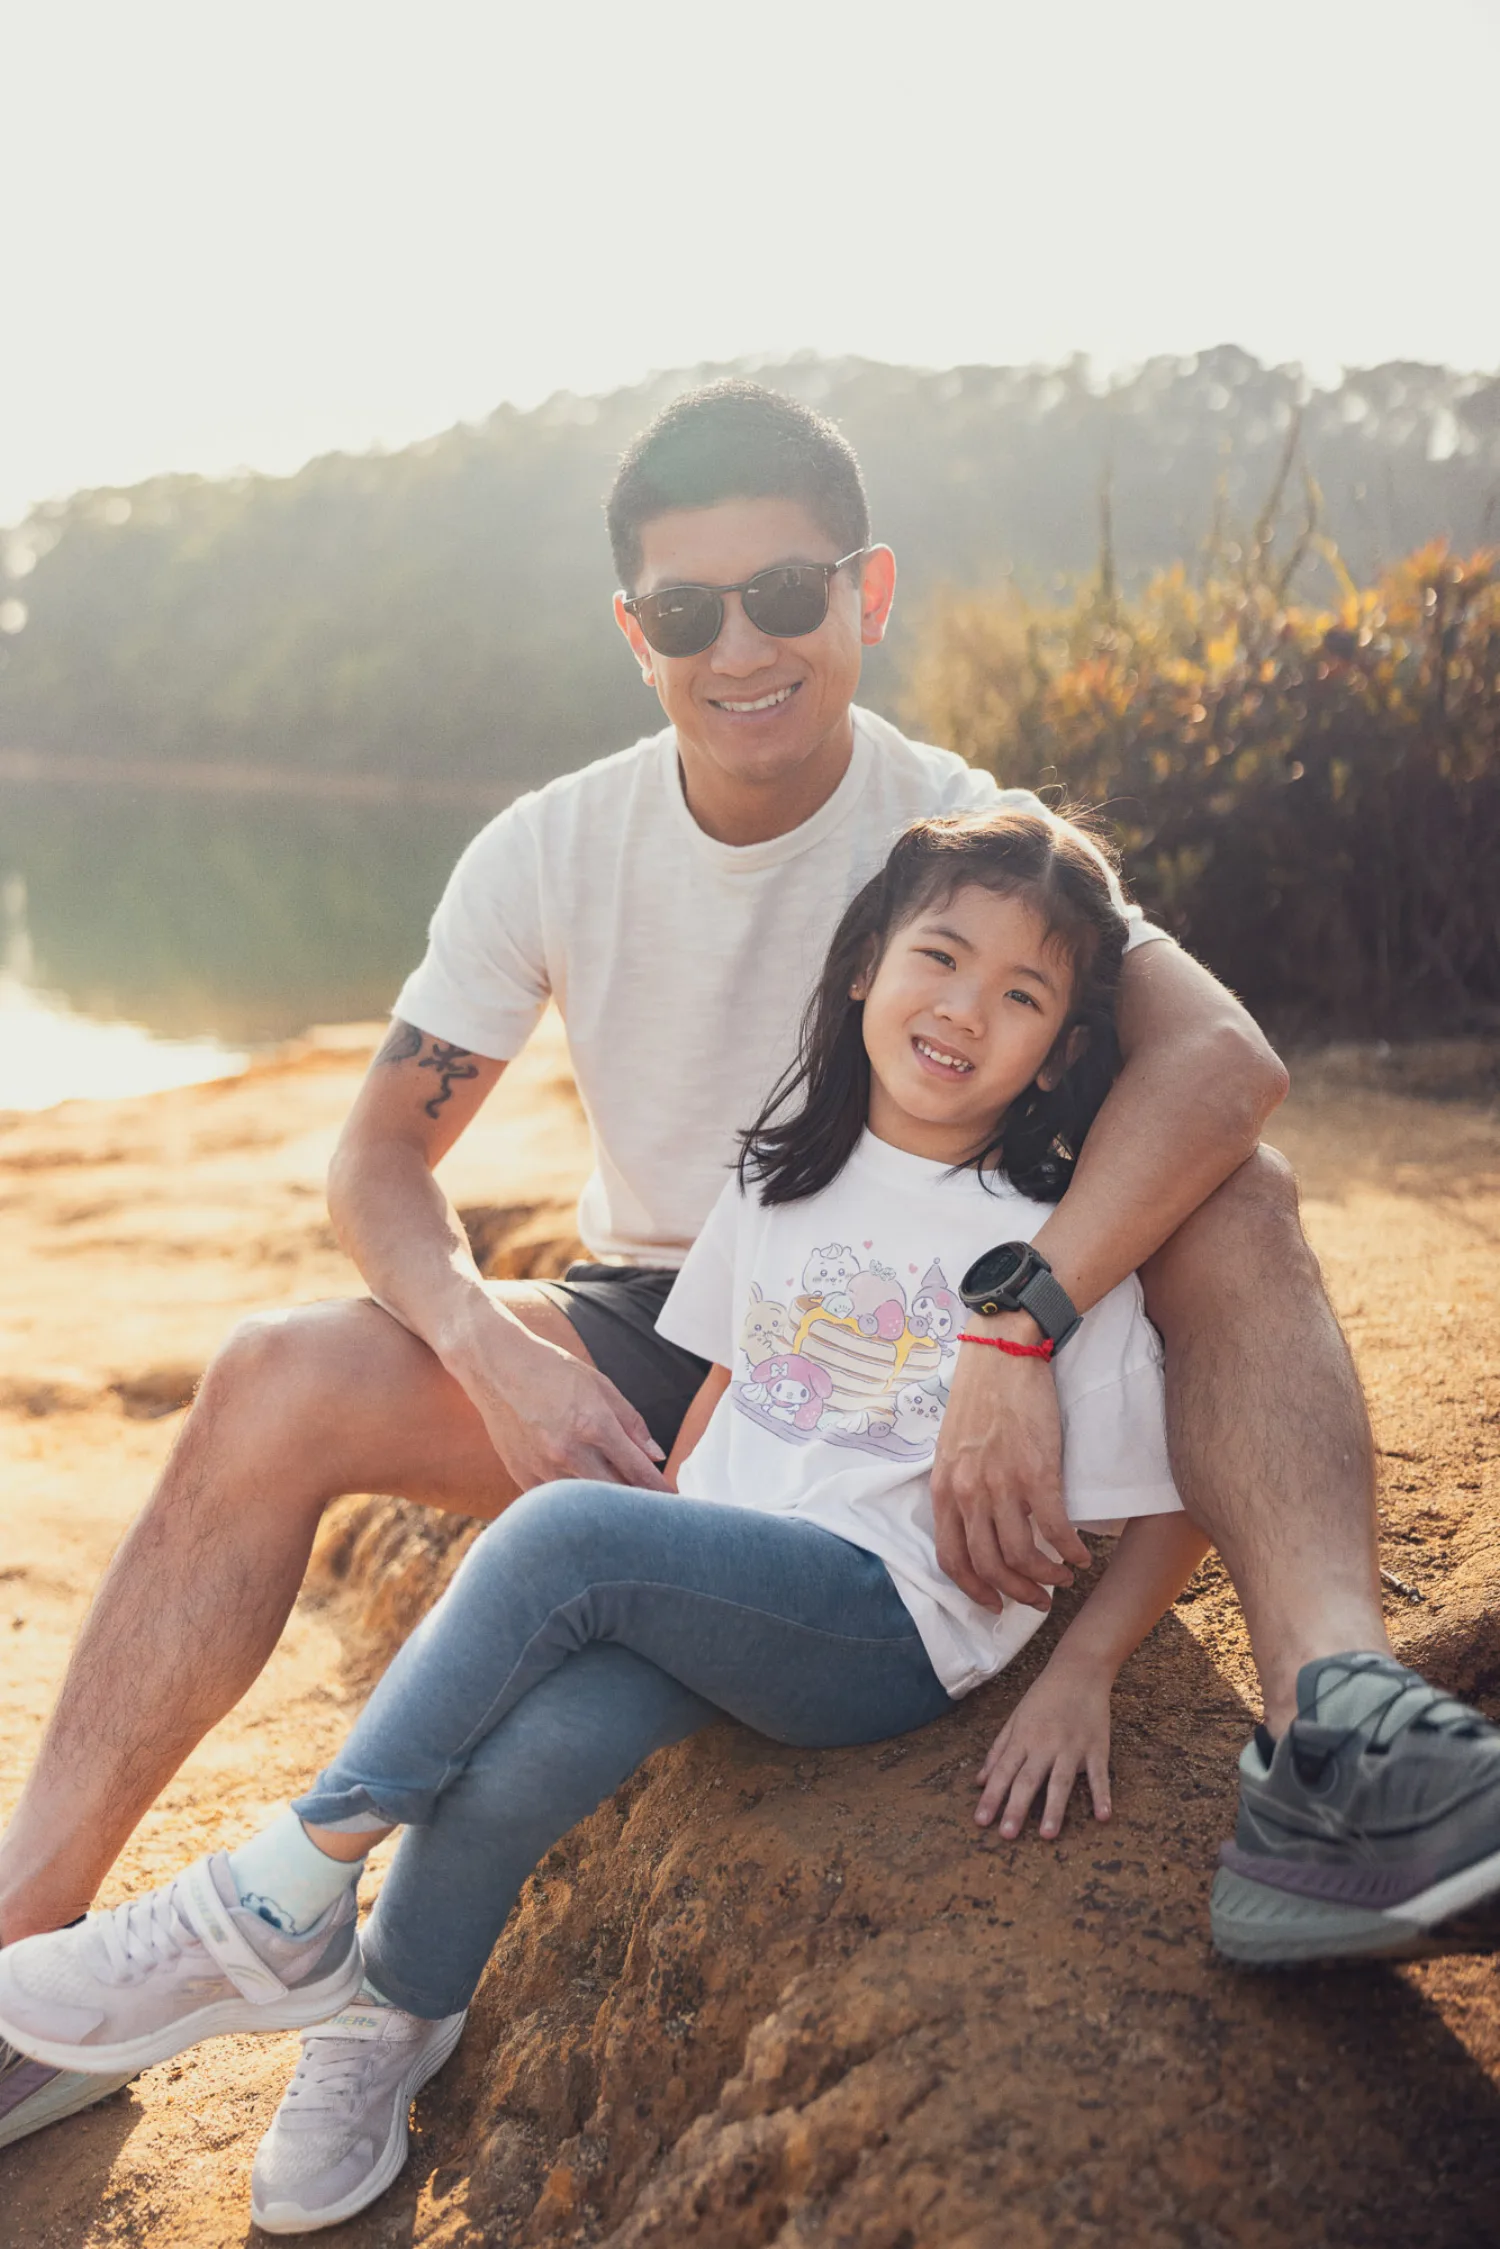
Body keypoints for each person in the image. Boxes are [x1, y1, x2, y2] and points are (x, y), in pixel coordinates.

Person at [3, 379, 1497, 2159]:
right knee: (271, 1372)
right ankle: (34, 1969)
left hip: (942, 1320)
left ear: (865, 595)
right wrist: (490, 1343)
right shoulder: (553, 844)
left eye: (785, 594)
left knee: (1240, 1192)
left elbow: (1223, 1063)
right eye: (691, 612)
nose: (744, 647)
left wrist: (1017, 1329)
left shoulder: (962, 833)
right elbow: (380, 1162)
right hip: (672, 1311)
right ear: (637, 634)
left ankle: (1338, 1728)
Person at [0, 809, 1217, 2234]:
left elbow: (1176, 1488)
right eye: (939, 958)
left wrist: (1080, 1674)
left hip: (887, 1623)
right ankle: (391, 2015)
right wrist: (660, 1562)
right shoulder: (782, 1179)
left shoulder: (1053, 1240)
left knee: (569, 1531)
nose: (965, 1010)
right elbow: (715, 1404)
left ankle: (269, 1898)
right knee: (523, 1759)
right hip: (741, 1592)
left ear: (1063, 1050)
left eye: (1023, 997)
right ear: (860, 971)